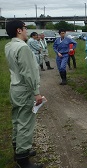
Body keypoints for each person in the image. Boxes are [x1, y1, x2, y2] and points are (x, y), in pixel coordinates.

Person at [5, 20, 44, 168]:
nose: (27, 31)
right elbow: (28, 72)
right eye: (25, 28)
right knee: (25, 123)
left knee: (17, 119)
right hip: (25, 89)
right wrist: (36, 93)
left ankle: (18, 148)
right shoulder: (23, 48)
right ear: (19, 30)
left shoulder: (9, 45)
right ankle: (23, 159)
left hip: (15, 87)